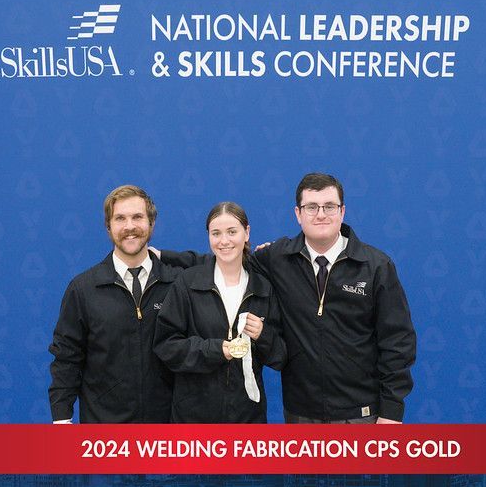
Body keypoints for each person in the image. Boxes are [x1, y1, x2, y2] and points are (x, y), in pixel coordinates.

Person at [160, 173, 416, 424]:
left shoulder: (376, 266)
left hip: (361, 413)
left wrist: (391, 412)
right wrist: (160, 256)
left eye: (329, 206)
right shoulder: (278, 258)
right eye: (311, 207)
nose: (321, 214)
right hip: (301, 413)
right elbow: (225, 257)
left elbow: (398, 341)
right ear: (298, 214)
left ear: (342, 211)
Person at [48, 185, 181, 423]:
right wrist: (61, 419)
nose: (129, 226)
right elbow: (67, 359)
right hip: (104, 435)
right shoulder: (83, 289)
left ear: (151, 223)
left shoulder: (178, 284)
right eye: (120, 218)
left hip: (168, 433)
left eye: (137, 217)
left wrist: (262, 257)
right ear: (108, 227)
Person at [153, 202, 286, 423]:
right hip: (193, 420)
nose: (224, 241)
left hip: (247, 419)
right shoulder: (188, 283)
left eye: (232, 232)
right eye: (216, 233)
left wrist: (263, 335)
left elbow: (280, 357)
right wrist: (214, 350)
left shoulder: (263, 288)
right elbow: (166, 346)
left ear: (247, 233)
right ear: (208, 237)